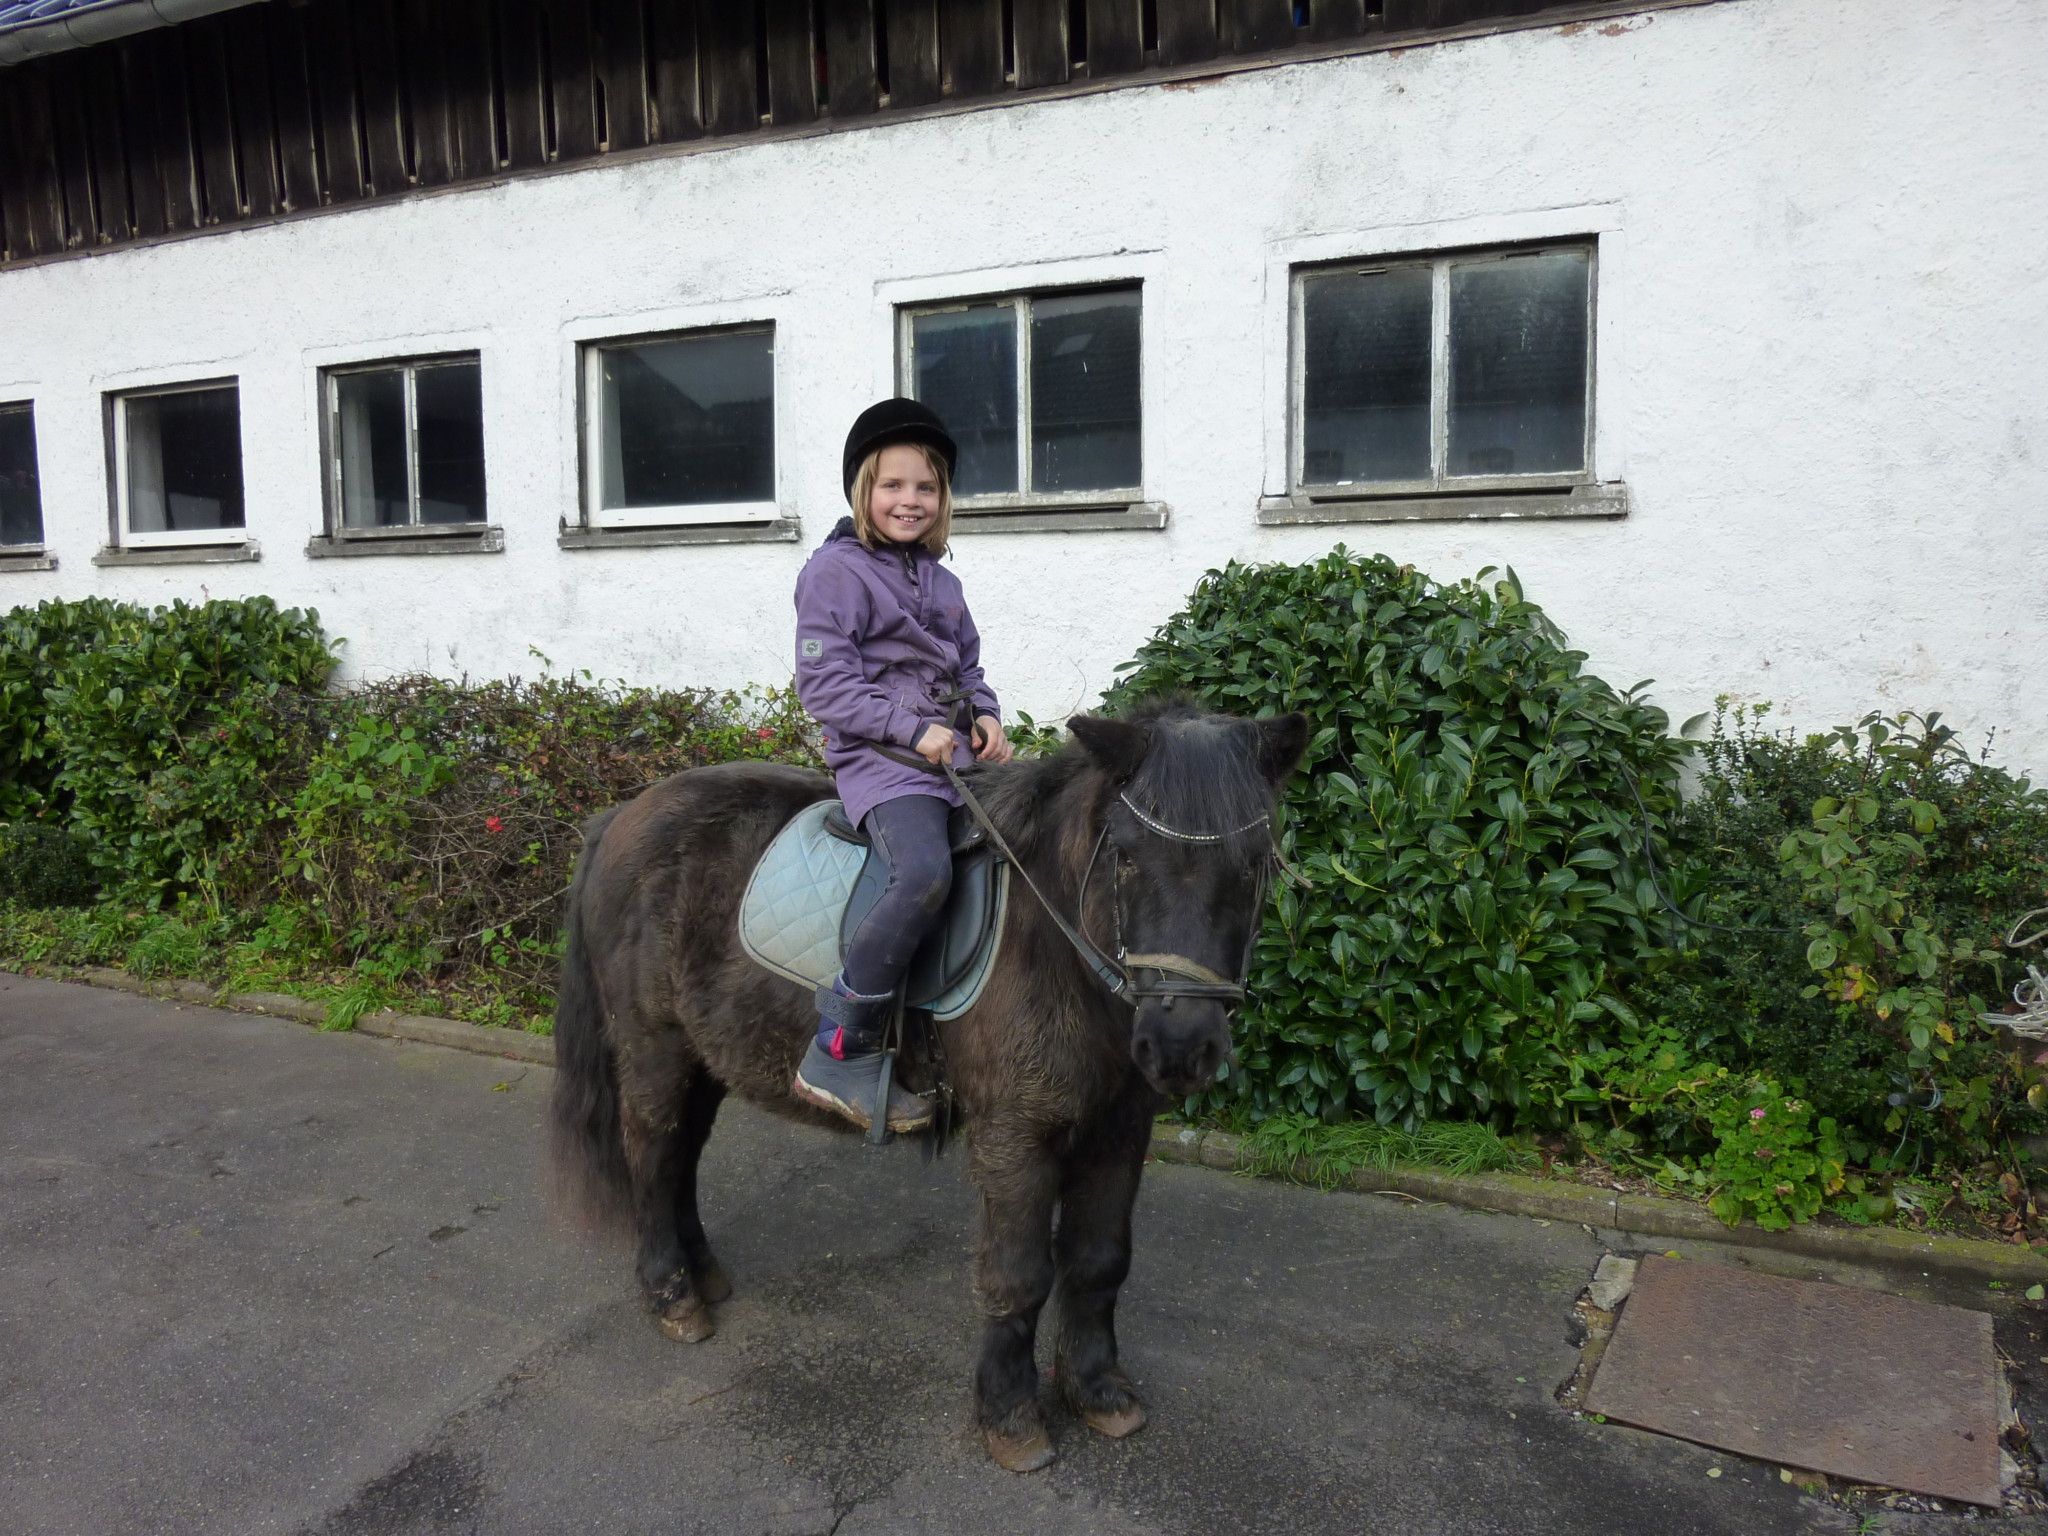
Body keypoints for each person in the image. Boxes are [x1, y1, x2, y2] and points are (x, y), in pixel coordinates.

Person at [790, 398, 1013, 1134]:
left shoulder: (944, 585)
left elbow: (968, 668)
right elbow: (825, 685)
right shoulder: (835, 572)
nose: (909, 501)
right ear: (863, 489)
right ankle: (838, 1046)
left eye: (925, 488)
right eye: (893, 486)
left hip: (951, 759)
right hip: (885, 765)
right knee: (922, 873)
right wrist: (910, 728)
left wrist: (985, 715)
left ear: (942, 497)